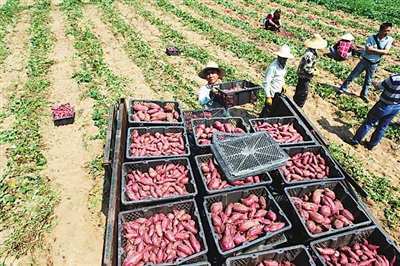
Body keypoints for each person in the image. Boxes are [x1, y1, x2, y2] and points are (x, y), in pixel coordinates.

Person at [336, 22, 393, 103]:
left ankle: (363, 95)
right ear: (380, 30)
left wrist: (374, 50)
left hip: (374, 63)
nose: (387, 33)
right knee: (352, 76)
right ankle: (341, 90)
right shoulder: (371, 38)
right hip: (364, 60)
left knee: (368, 80)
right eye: (385, 31)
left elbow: (385, 52)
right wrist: (380, 51)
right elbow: (368, 50)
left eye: (389, 31)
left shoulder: (389, 39)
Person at [348, 75, 400, 150]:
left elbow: (378, 87)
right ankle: (372, 145)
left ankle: (355, 141)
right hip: (396, 107)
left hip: (383, 106)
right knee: (382, 127)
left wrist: (374, 82)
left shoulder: (394, 78)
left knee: (369, 123)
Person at [259, 45, 294, 118]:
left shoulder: (284, 65)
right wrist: (268, 96)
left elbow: (281, 77)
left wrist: (283, 84)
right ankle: (259, 122)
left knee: (273, 110)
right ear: (278, 56)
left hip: (278, 92)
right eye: (281, 58)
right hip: (272, 93)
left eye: (285, 58)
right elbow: (267, 82)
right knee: (267, 110)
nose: (283, 60)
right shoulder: (273, 67)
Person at [293, 34, 327, 108]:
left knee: (300, 90)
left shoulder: (312, 52)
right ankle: (298, 106)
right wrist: (314, 72)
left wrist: (314, 68)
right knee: (303, 92)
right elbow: (307, 68)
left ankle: (296, 103)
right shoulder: (309, 54)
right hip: (303, 75)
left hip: (304, 75)